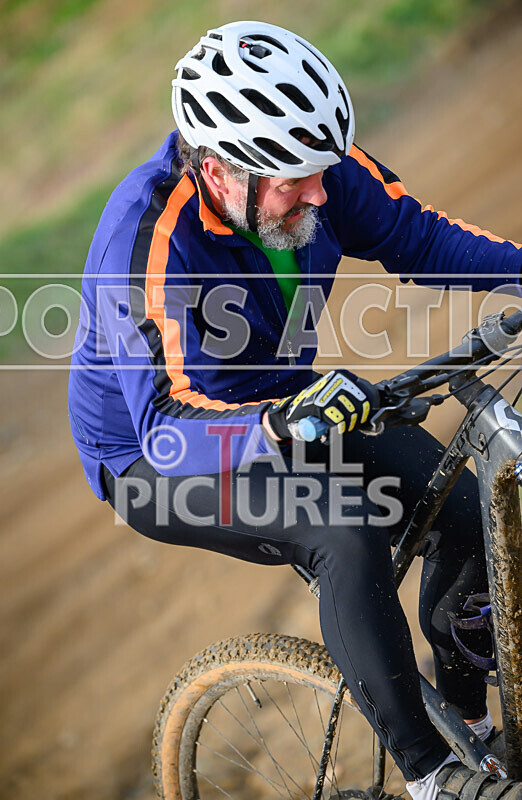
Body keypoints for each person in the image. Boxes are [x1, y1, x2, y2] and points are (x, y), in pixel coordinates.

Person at [68, 20, 521, 800]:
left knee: (461, 500)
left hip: (278, 402)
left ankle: (480, 740)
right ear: (218, 170)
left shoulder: (313, 167)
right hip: (156, 455)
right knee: (343, 528)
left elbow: (418, 236)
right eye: (293, 181)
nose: (319, 191)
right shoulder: (146, 246)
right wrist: (279, 425)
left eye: (321, 169)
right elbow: (167, 427)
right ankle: (433, 777)